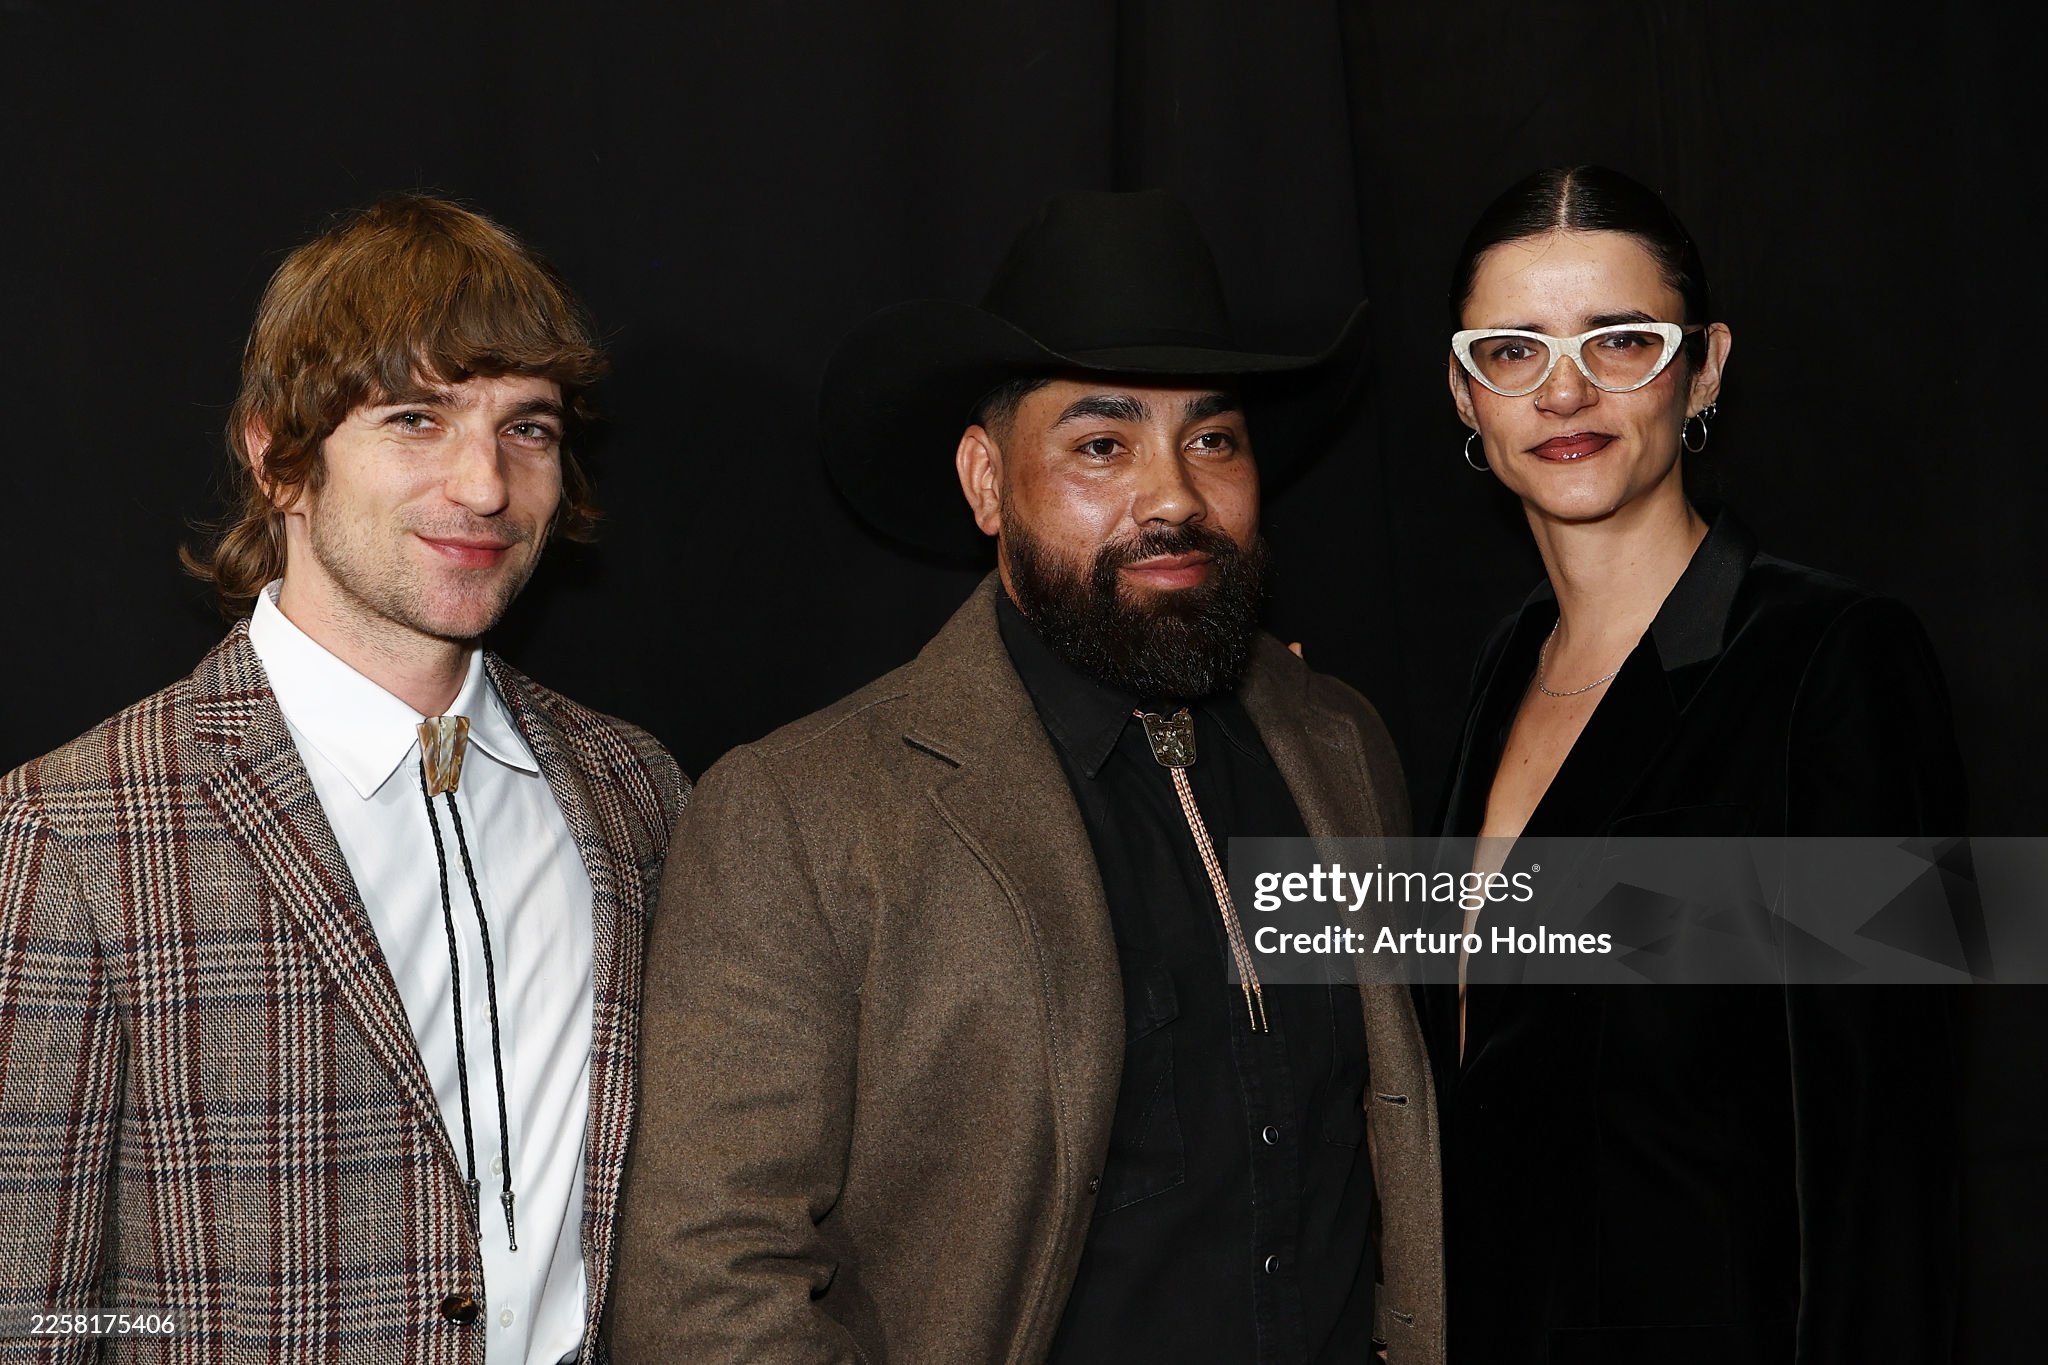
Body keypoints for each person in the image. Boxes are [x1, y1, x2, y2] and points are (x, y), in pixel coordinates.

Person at [613, 191, 1443, 1364]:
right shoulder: (803, 816)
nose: (1174, 497)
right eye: (1101, 446)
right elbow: (704, 1291)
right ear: (986, 481)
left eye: (1212, 439)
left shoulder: (1336, 744)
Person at [0, 196, 686, 1363]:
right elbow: (27, 1314)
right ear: (279, 457)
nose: (484, 488)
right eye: (417, 419)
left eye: (527, 428)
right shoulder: (73, 832)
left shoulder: (635, 792)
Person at [1430, 165, 1966, 1361]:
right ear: (1465, 395)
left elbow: (1888, 1157)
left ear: (1704, 365)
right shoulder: (1498, 668)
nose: (1563, 391)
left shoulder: (1833, 662)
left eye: (1619, 340)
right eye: (1510, 351)